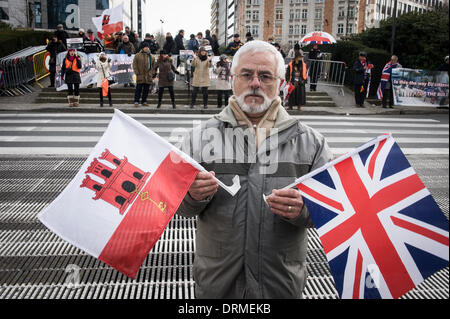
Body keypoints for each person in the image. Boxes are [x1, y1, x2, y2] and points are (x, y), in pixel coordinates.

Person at [175, 40, 333, 299]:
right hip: (218, 285)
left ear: (281, 82)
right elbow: (177, 207)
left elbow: (330, 212)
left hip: (280, 285)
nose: (256, 83)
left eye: (266, 76)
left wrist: (303, 210)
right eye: (247, 74)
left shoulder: (312, 143)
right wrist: (192, 196)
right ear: (233, 79)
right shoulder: (198, 139)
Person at [132, 43, 154, 107]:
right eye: (145, 47)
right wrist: (137, 73)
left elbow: (153, 66)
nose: (146, 48)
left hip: (148, 76)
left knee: (146, 90)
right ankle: (136, 101)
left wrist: (151, 73)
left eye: (147, 47)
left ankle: (144, 101)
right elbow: (134, 64)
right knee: (138, 89)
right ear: (142, 48)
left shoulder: (151, 56)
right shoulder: (137, 55)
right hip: (140, 75)